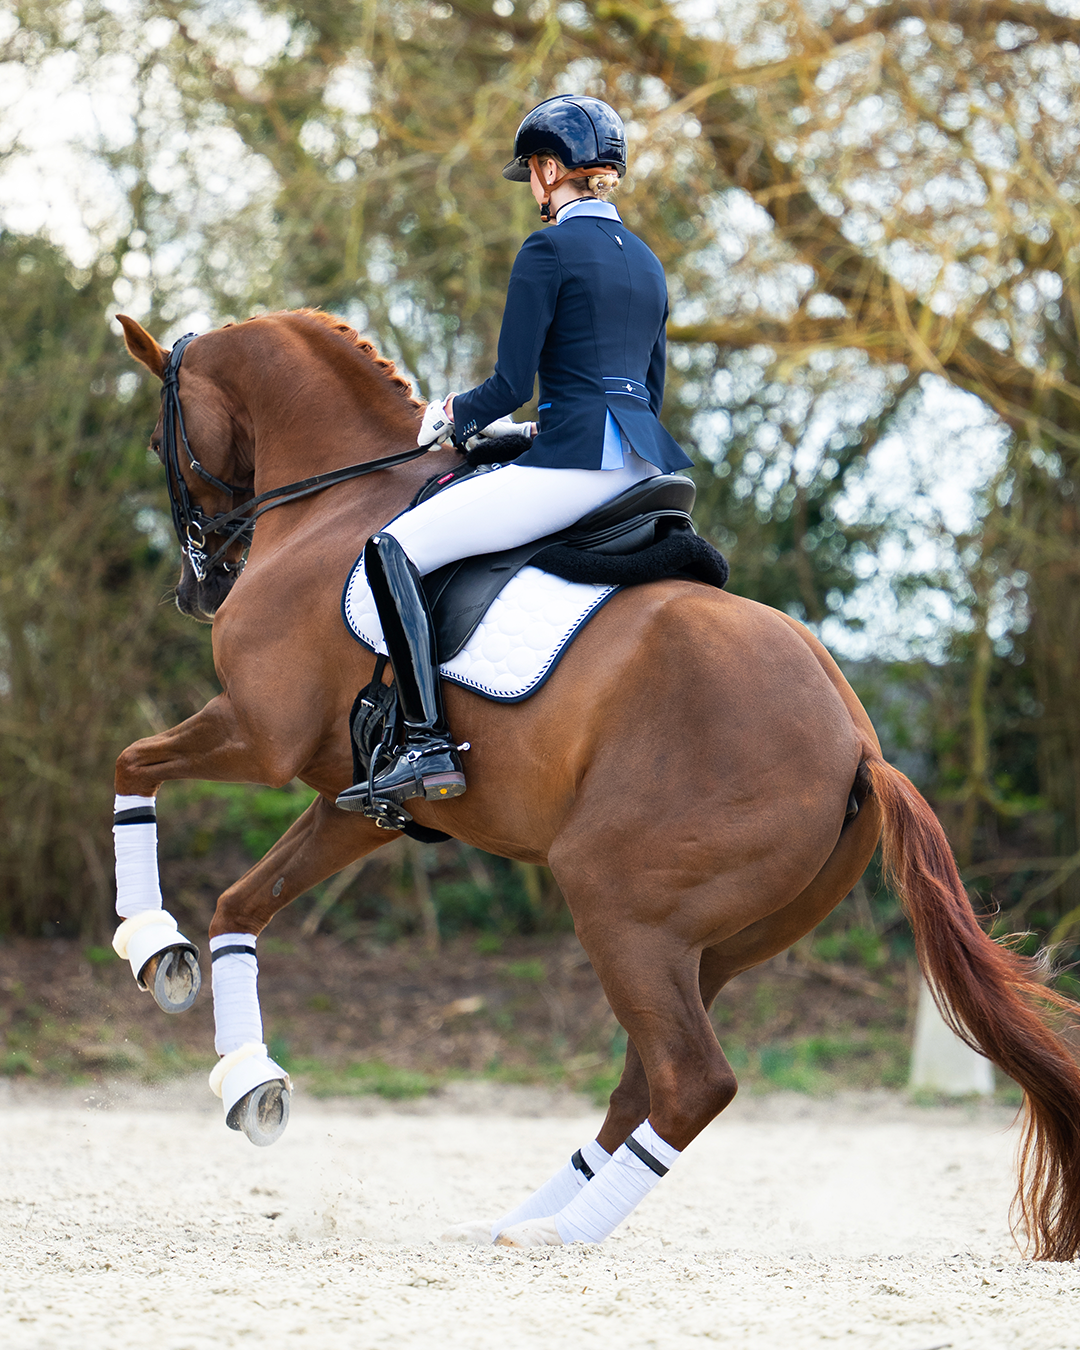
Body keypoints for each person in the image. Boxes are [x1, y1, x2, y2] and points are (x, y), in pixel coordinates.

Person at [336, 94, 693, 816]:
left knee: (389, 549)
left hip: (574, 471)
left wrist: (448, 416)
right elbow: (641, 394)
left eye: (533, 169)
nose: (532, 184)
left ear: (552, 169)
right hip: (641, 466)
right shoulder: (650, 264)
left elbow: (510, 383)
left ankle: (424, 742)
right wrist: (542, 429)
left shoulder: (549, 249)